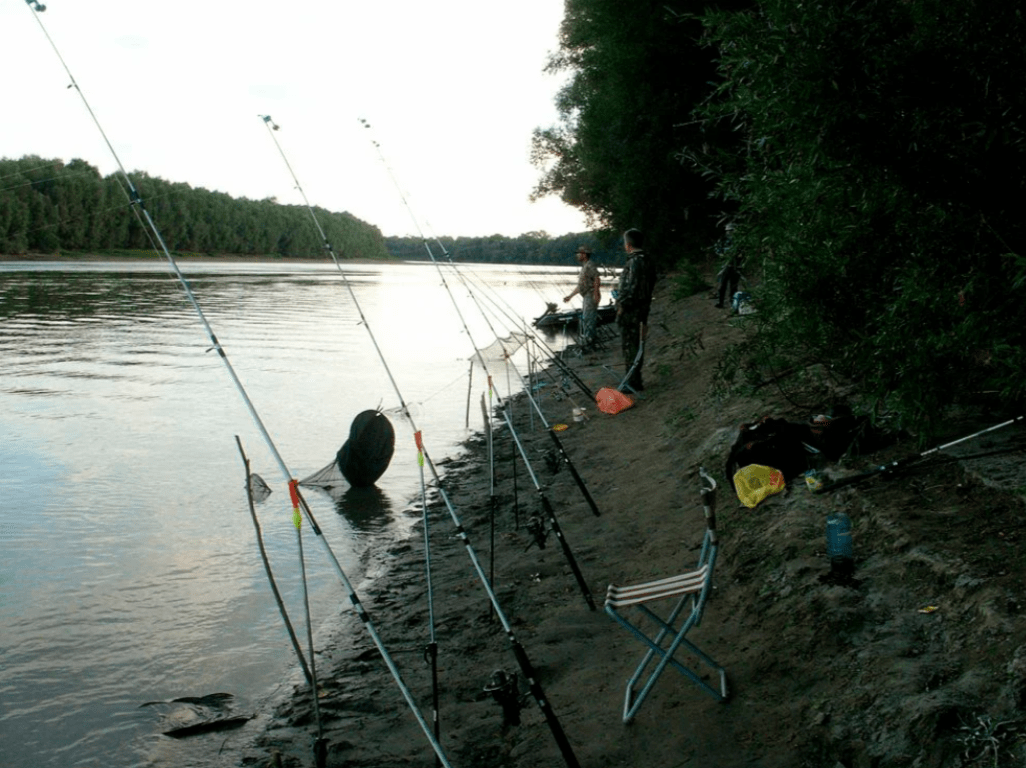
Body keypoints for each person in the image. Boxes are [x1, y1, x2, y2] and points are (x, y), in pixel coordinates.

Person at [615, 228, 658, 392]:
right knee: (637, 344)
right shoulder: (648, 260)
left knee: (629, 345)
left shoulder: (635, 261)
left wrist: (622, 306)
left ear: (629, 244)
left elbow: (632, 289)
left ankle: (632, 382)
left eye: (625, 243)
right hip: (643, 308)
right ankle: (635, 379)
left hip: (632, 311)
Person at [563, 245, 601, 348]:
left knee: (589, 319)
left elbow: (597, 278)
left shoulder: (590, 265)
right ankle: (589, 340)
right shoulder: (584, 266)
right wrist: (570, 296)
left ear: (584, 254)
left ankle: (590, 341)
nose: (577, 255)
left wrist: (596, 294)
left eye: (579, 253)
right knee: (587, 318)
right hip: (586, 296)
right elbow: (580, 286)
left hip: (590, 295)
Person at [715, 223, 743, 309]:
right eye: (728, 231)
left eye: (731, 231)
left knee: (734, 285)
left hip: (736, 265)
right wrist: (723, 255)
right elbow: (717, 249)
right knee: (722, 284)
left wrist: (739, 256)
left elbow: (743, 251)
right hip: (725, 265)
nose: (730, 233)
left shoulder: (739, 240)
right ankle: (720, 302)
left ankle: (733, 303)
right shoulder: (722, 240)